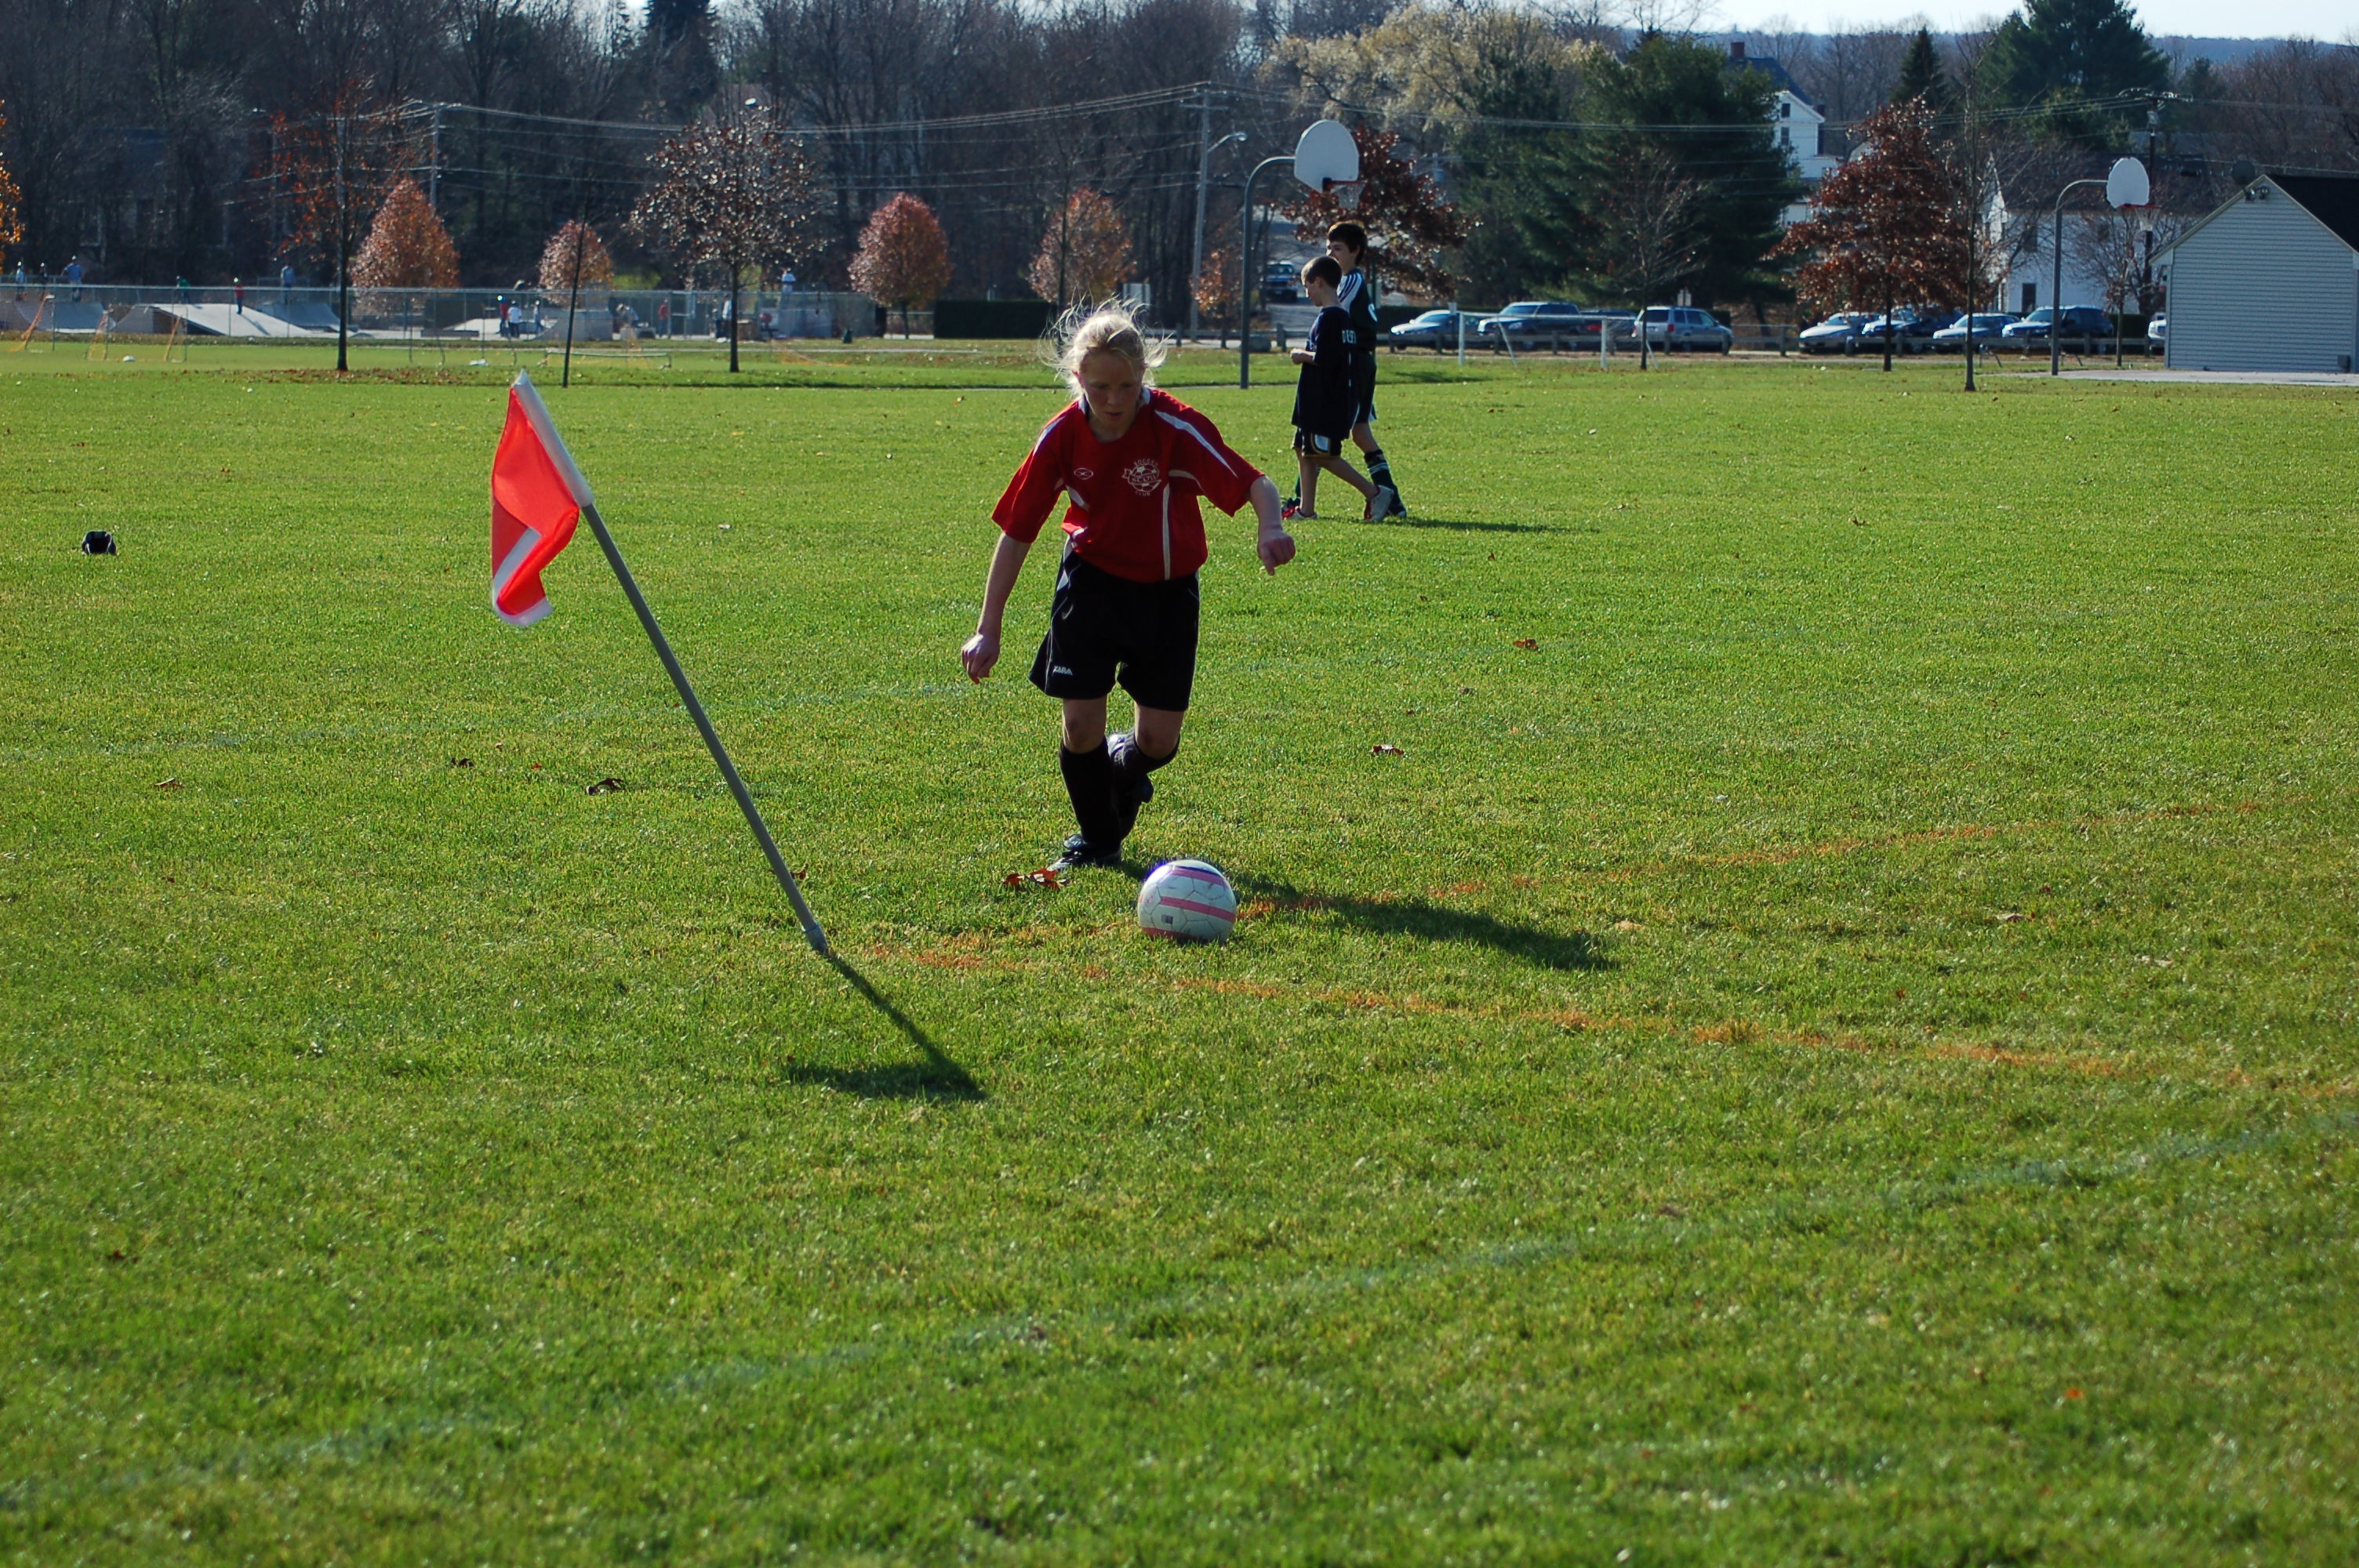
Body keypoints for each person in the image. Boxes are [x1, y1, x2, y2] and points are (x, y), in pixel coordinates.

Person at [959, 303, 1296, 872]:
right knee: (1079, 724)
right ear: (1077, 378)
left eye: (1126, 385)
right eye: (1100, 387)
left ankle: (1123, 765)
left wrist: (1271, 528)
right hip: (1090, 586)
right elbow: (1016, 534)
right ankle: (1098, 840)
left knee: (1159, 741)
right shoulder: (1061, 436)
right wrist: (987, 629)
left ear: (1144, 374)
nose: (1114, 400)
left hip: (1166, 595)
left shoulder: (1174, 427)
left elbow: (1254, 482)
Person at [1319, 222, 1406, 519]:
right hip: (1359, 363)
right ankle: (1392, 501)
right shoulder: (1350, 280)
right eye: (1328, 248)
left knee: (1320, 431)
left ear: (1355, 251)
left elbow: (1333, 311)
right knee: (1360, 433)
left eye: (1338, 248)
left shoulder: (1350, 281)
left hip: (1353, 364)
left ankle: (1300, 501)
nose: (1331, 254)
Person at [1289, 256, 1380, 521]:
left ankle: (1374, 492)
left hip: (1324, 400)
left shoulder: (1331, 318)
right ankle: (1306, 510)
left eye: (1308, 287)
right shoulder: (1343, 318)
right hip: (1315, 401)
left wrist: (1301, 355)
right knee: (1303, 450)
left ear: (1319, 282)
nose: (1307, 294)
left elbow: (1326, 359)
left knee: (1324, 456)